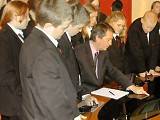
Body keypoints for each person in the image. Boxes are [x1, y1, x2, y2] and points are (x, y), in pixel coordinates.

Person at [19, 0, 81, 120]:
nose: (64, 32)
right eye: (63, 28)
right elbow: (54, 102)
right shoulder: (44, 53)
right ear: (48, 26)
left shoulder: (34, 39)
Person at [0, 1, 30, 120]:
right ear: (17, 16)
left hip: (19, 99)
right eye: (27, 15)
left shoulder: (18, 34)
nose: (28, 19)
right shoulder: (3, 38)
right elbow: (5, 73)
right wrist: (23, 92)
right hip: (14, 102)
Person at [125, 11, 160, 77]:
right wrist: (142, 70)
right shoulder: (134, 28)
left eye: (151, 28)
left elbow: (155, 47)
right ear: (142, 21)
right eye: (147, 27)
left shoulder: (156, 26)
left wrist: (152, 68)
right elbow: (136, 51)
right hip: (132, 63)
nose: (149, 30)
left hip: (146, 62)